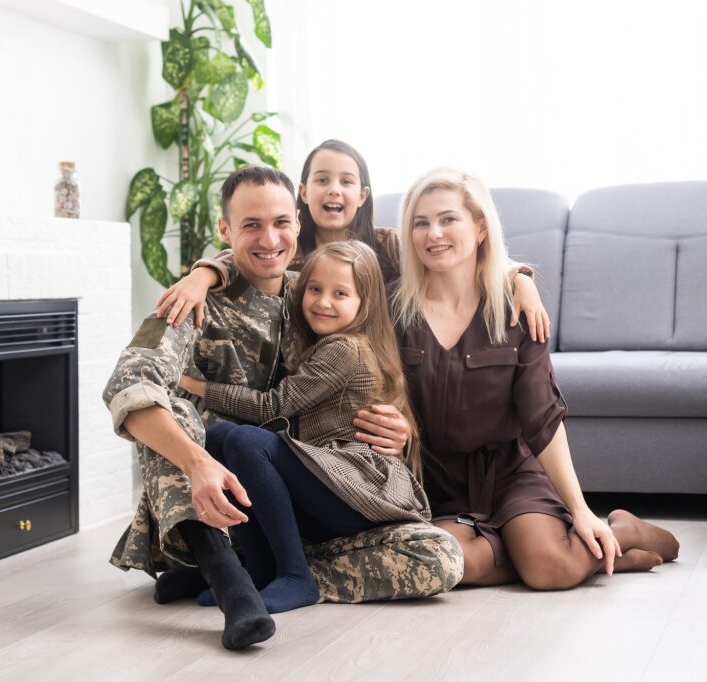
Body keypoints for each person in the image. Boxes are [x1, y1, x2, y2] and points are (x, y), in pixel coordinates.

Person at [102, 166, 463, 650]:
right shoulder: (190, 303)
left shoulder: (310, 291)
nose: (269, 239)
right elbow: (128, 384)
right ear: (225, 232)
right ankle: (231, 581)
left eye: (280, 223)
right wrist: (199, 462)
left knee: (441, 557)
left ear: (297, 222)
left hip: (297, 508)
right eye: (251, 225)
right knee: (176, 413)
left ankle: (278, 574)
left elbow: (429, 269)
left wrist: (398, 427)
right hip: (208, 504)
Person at [394, 168, 679, 588]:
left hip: (511, 472)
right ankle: (561, 552)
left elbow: (542, 417)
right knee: (446, 563)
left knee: (551, 571)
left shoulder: (516, 309)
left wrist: (580, 509)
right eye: (421, 223)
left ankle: (621, 532)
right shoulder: (394, 310)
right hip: (436, 480)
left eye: (448, 219)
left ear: (480, 228)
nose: (434, 233)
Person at [177, 241, 429, 614]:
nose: (323, 302)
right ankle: (258, 571)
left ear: (365, 303)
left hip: (358, 491)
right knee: (218, 438)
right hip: (331, 485)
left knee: (246, 439)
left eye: (340, 293)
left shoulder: (345, 348)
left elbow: (272, 406)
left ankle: (297, 576)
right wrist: (206, 272)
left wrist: (192, 384)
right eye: (314, 289)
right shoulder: (328, 342)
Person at [156, 139, 551, 346]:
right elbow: (246, 253)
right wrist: (203, 274)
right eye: (323, 180)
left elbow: (451, 255)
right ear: (303, 192)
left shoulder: (389, 246)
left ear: (361, 195)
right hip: (307, 370)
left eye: (346, 181)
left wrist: (519, 278)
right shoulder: (290, 249)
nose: (334, 190)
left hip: (380, 368)